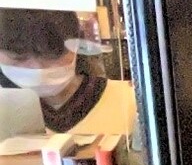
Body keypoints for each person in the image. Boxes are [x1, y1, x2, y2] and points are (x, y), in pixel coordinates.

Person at [0, 8, 136, 134]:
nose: (38, 68)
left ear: (77, 45)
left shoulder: (131, 101)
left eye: (53, 55)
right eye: (19, 57)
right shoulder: (6, 112)